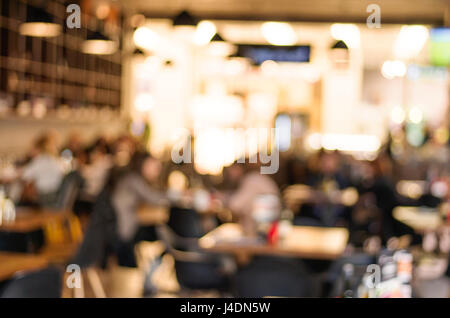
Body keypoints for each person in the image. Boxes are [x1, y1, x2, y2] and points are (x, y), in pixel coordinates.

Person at [223, 161, 280, 236]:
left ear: (240, 168)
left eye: (233, 169)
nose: (230, 174)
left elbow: (235, 205)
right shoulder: (255, 178)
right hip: (267, 229)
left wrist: (222, 199)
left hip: (263, 232)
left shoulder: (251, 180)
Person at [20, 132, 64, 207]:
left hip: (44, 198)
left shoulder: (40, 160)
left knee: (21, 198)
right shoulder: (55, 160)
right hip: (56, 196)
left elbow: (25, 175)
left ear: (38, 148)